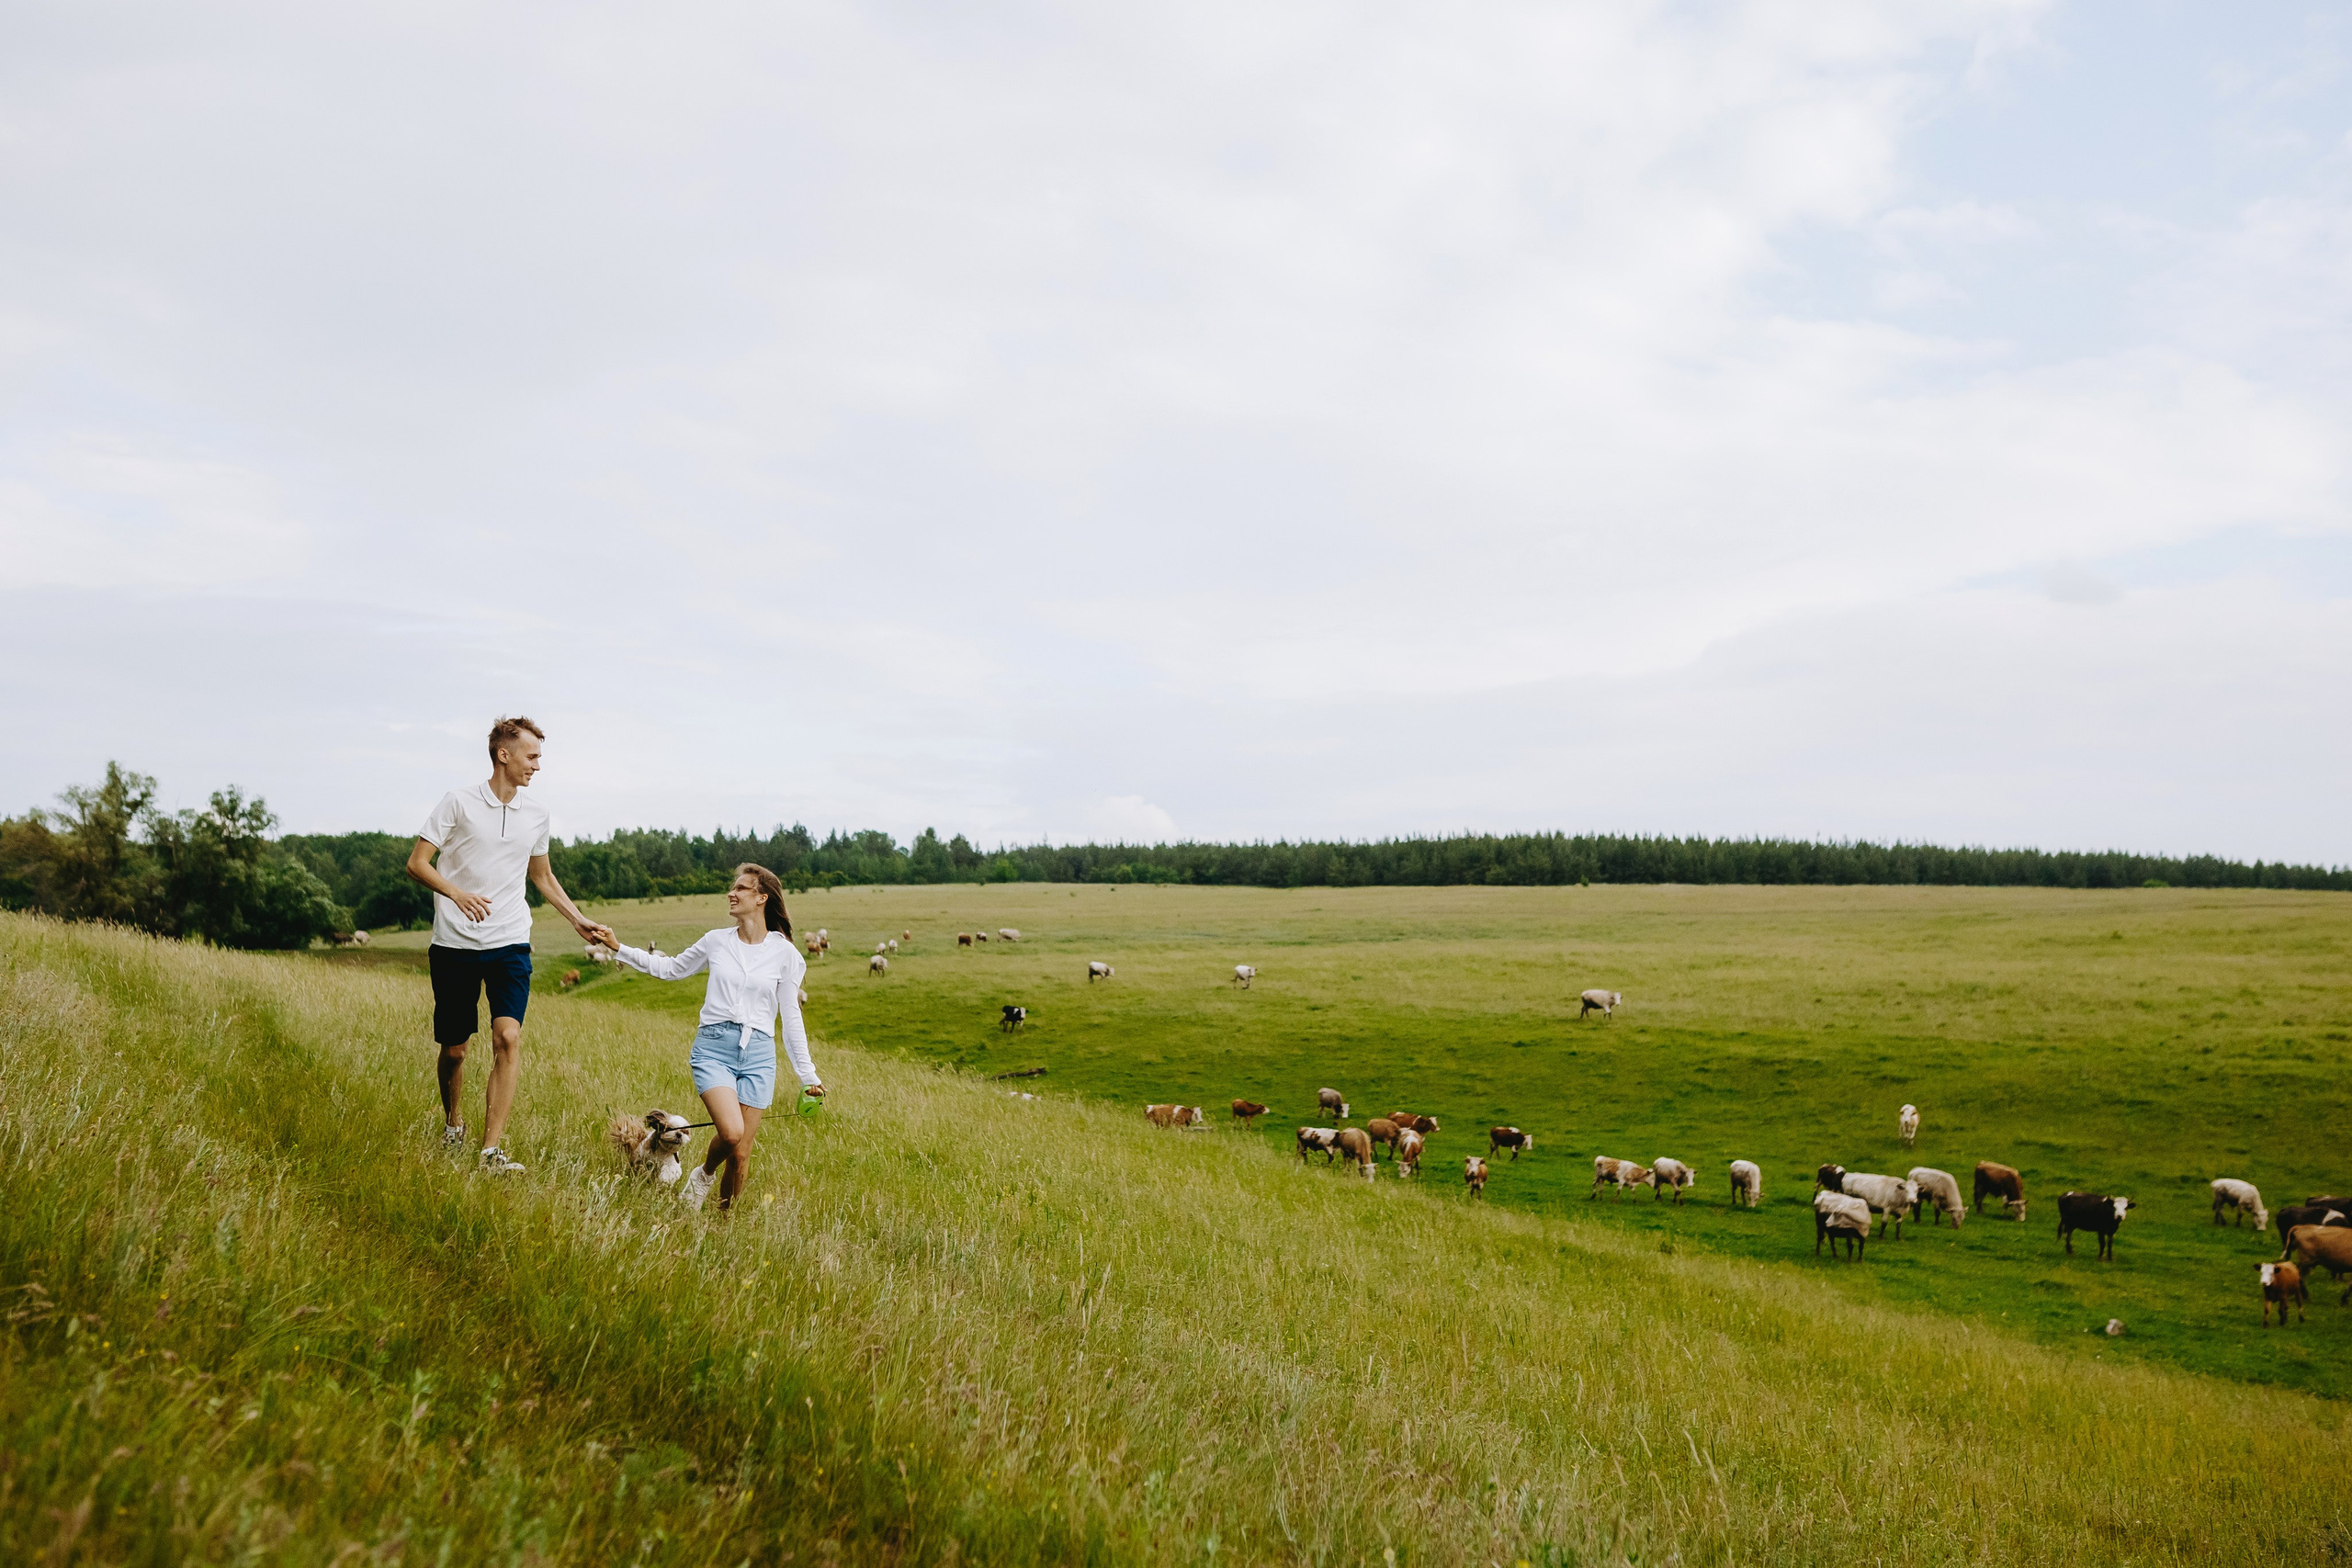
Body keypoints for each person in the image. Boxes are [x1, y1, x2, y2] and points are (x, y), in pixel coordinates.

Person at [404, 716, 606, 1174]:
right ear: (504, 754)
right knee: (455, 1050)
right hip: (454, 942)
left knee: (508, 1037)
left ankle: (490, 1152)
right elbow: (417, 864)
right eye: (532, 756)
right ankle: (453, 1121)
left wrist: (576, 919)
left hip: (510, 940)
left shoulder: (537, 814)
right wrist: (456, 893)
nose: (537, 766)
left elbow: (542, 875)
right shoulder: (457, 802)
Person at [590, 863, 821, 1210]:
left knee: (741, 1154)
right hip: (714, 1048)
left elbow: (791, 1016)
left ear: (762, 898)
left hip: (759, 1054)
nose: (732, 893)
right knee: (730, 1133)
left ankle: (723, 1224)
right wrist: (619, 947)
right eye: (734, 887)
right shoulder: (716, 941)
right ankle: (703, 1175)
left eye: (741, 888)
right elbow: (669, 969)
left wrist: (808, 1075)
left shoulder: (785, 954)